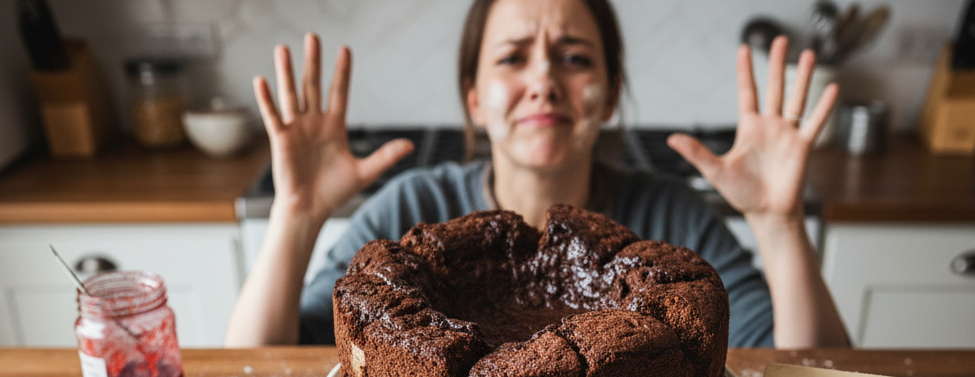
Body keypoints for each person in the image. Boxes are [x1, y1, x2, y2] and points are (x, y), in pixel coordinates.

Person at [225, 0, 849, 350]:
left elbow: (811, 374)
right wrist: (296, 217)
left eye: (574, 58)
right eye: (512, 58)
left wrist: (779, 224)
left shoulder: (668, 218)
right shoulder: (414, 207)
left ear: (608, 97)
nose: (545, 80)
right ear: (473, 98)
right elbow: (263, 361)